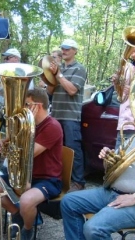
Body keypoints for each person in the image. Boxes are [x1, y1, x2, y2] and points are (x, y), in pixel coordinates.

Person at [0, 87, 63, 240]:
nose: (24, 108)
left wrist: (11, 147)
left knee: (26, 201)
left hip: (48, 179)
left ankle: (27, 229)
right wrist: (3, 141)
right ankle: (17, 214)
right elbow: (13, 139)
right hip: (26, 174)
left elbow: (28, 154)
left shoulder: (52, 126)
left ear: (37, 106)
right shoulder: (28, 124)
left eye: (27, 104)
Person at [60, 122, 135, 240]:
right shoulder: (133, 138)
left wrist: (134, 197)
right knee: (68, 202)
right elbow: (112, 168)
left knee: (93, 228)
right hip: (112, 193)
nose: (134, 121)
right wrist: (107, 156)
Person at [47, 39, 87, 192]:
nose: (64, 51)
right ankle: (59, 179)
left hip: (71, 116)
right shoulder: (58, 69)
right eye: (63, 48)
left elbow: (72, 90)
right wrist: (51, 76)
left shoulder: (80, 69)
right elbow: (49, 92)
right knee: (55, 149)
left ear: (75, 50)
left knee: (73, 148)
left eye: (68, 49)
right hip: (56, 115)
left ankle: (79, 182)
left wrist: (58, 75)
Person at [112, 45, 135, 150]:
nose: (132, 47)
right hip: (124, 125)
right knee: (118, 163)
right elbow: (121, 96)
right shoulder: (127, 67)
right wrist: (117, 83)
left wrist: (133, 89)